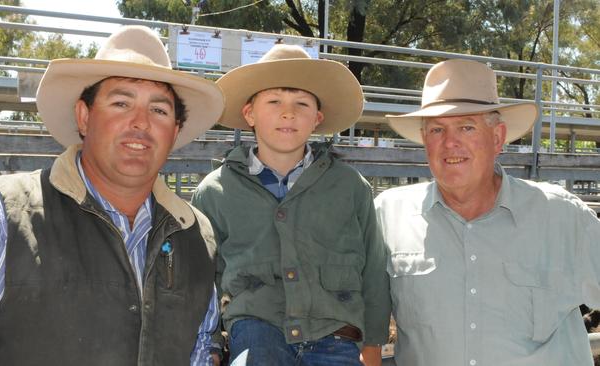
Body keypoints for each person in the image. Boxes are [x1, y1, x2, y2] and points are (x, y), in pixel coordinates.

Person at [0, 26, 225, 366]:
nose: (140, 122)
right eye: (121, 103)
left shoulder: (196, 236)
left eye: (159, 110)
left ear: (175, 131)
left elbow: (200, 347)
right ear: (84, 116)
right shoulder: (1, 217)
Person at [375, 58, 600, 365]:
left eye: (466, 127)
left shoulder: (563, 217)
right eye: (437, 130)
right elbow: (356, 319)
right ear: (424, 140)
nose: (450, 143)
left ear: (497, 138)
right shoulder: (388, 216)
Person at [191, 44, 391, 366]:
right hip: (255, 330)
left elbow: (373, 269)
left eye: (301, 103)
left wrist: (374, 343)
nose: (288, 113)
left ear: (318, 118)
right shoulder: (214, 192)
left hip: (336, 334)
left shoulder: (351, 187)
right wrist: (213, 344)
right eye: (274, 101)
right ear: (249, 113)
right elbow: (204, 279)